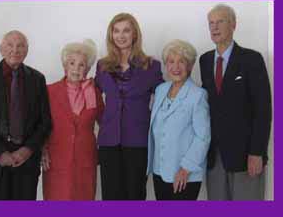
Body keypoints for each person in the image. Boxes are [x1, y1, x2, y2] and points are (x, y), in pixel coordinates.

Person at [200, 4, 272, 200]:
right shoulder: (204, 61)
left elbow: (263, 110)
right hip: (214, 156)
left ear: (233, 25)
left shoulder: (252, 59)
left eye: (220, 21)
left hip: (246, 156)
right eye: (211, 23)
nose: (214, 27)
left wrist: (257, 152)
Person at [0, 30, 52, 200]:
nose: (15, 50)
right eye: (10, 45)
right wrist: (0, 153)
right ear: (1, 49)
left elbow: (45, 122)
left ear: (27, 50)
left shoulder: (37, 79)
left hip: (26, 163)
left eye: (20, 45)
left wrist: (27, 150)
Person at [95, 13, 163, 200]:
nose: (121, 35)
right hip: (109, 140)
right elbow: (92, 97)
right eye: (116, 31)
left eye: (126, 30)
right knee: (111, 196)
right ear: (111, 35)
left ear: (135, 34)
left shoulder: (151, 65)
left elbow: (165, 99)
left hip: (138, 140)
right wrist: (103, 119)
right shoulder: (102, 66)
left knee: (135, 194)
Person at [147, 39, 211, 200]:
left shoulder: (198, 95)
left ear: (189, 66)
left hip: (184, 174)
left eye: (181, 61)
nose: (175, 67)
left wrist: (185, 169)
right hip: (159, 170)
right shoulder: (161, 90)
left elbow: (203, 137)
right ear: (166, 65)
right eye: (171, 61)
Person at [41, 39, 104, 200]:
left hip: (85, 159)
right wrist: (42, 149)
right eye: (72, 63)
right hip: (56, 159)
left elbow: (105, 122)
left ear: (88, 68)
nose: (76, 68)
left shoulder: (94, 92)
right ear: (65, 65)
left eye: (81, 65)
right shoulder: (49, 91)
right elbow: (40, 125)